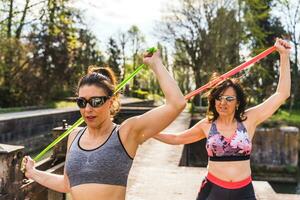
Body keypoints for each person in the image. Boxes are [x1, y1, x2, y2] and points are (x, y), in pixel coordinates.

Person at [22, 51, 186, 200]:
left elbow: (176, 104)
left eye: (96, 101)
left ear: (111, 101)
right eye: (82, 102)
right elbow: (67, 184)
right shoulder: (74, 135)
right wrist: (33, 172)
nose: (88, 109)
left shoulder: (126, 133)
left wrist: (155, 63)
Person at [153, 38, 291, 200]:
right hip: (213, 191)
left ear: (238, 102)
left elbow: (282, 94)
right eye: (219, 98)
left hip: (244, 192)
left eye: (229, 99)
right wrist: (150, 132)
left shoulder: (249, 119)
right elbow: (177, 138)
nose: (223, 103)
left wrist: (284, 55)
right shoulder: (206, 125)